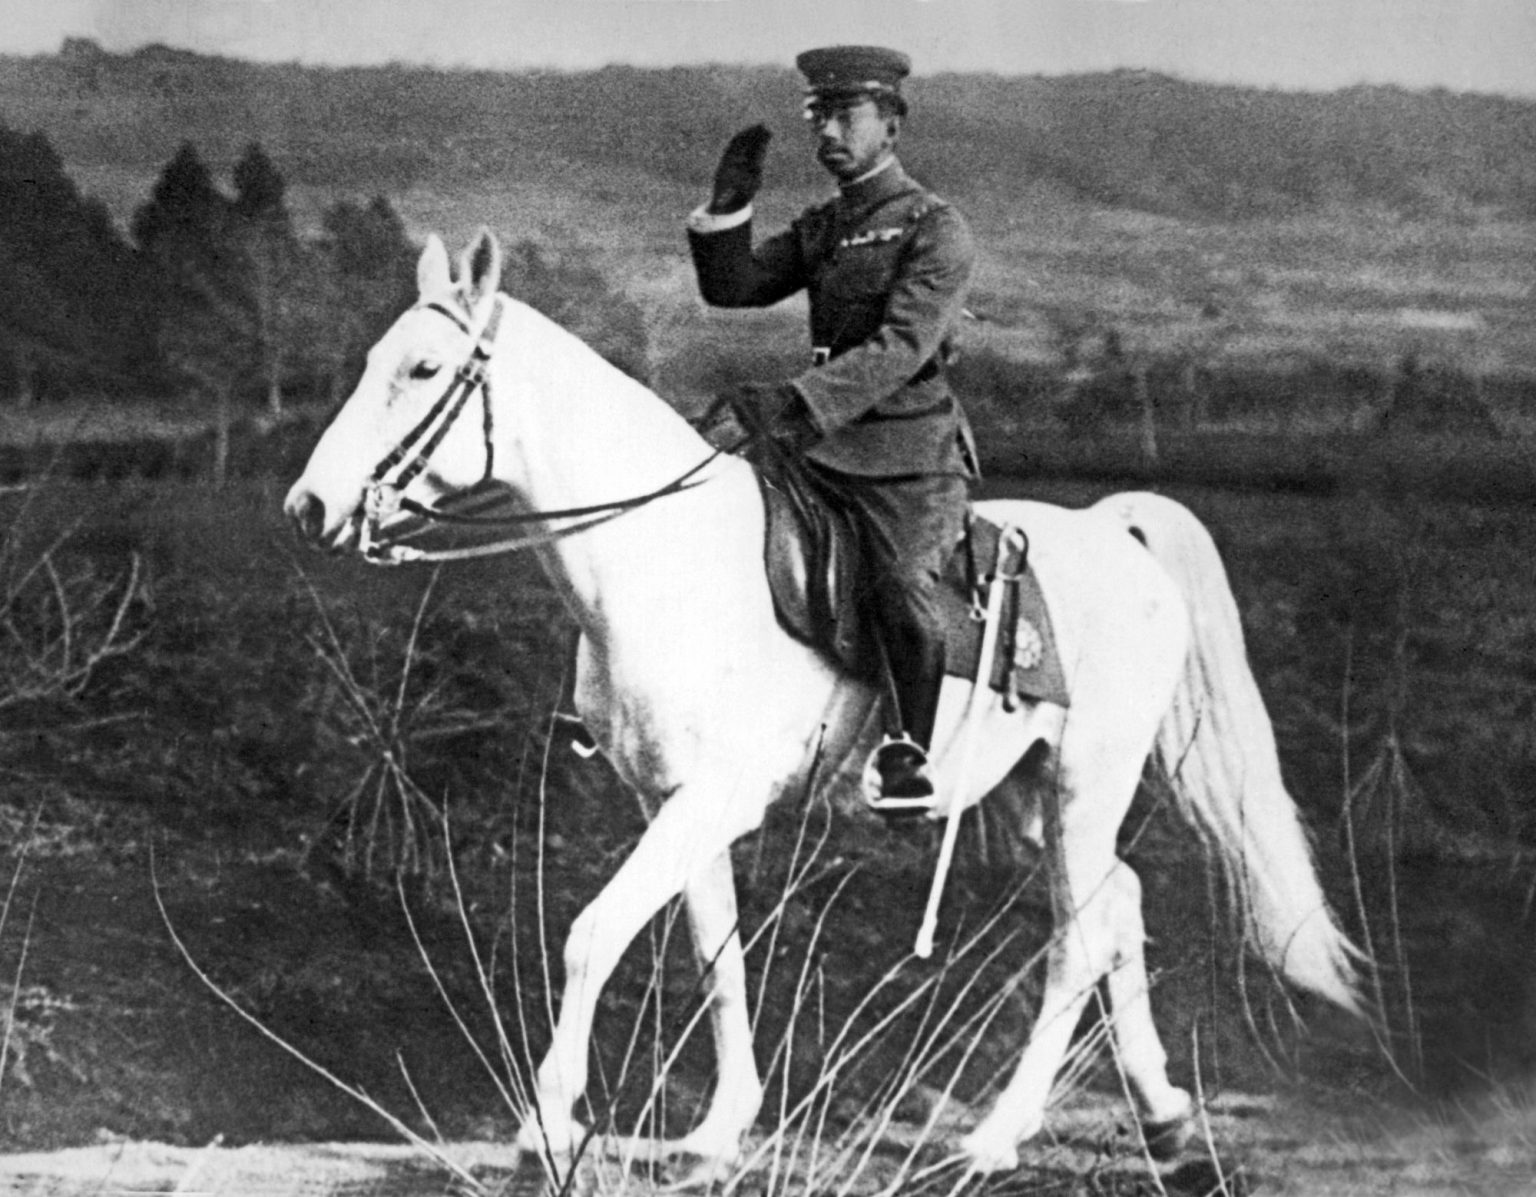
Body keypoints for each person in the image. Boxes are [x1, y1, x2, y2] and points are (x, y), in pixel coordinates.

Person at [686, 45, 978, 803]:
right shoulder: (827, 227)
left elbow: (901, 347)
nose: (827, 132)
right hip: (820, 443)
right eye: (818, 117)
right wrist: (729, 208)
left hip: (905, 452)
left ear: (892, 126)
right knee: (706, 513)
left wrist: (796, 400)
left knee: (899, 586)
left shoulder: (934, 227)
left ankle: (907, 750)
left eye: (846, 116)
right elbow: (736, 288)